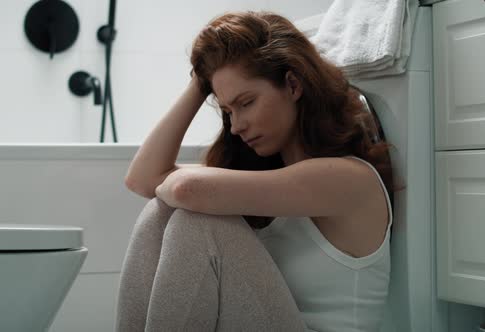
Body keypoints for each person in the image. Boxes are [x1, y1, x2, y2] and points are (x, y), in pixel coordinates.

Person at [116, 10, 401, 332]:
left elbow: (185, 189)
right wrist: (202, 77)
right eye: (227, 110)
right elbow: (142, 179)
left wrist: (185, 187)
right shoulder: (271, 182)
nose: (236, 126)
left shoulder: (349, 179)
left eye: (246, 102)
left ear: (293, 85)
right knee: (160, 211)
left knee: (196, 219)